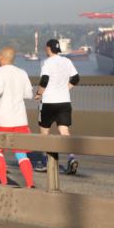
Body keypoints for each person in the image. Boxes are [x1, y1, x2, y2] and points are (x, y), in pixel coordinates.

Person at [0, 46, 35, 188]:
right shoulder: (22, 72)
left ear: (2, 57)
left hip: (3, 118)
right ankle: (30, 184)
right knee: (21, 154)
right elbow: (28, 95)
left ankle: (3, 182)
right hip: (20, 119)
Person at [36, 38, 81, 175]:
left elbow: (44, 79)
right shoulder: (67, 61)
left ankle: (46, 161)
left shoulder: (47, 62)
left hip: (49, 102)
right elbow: (76, 78)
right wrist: (65, 89)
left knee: (44, 132)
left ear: (48, 48)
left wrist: (39, 93)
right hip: (64, 102)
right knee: (64, 131)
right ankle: (71, 157)